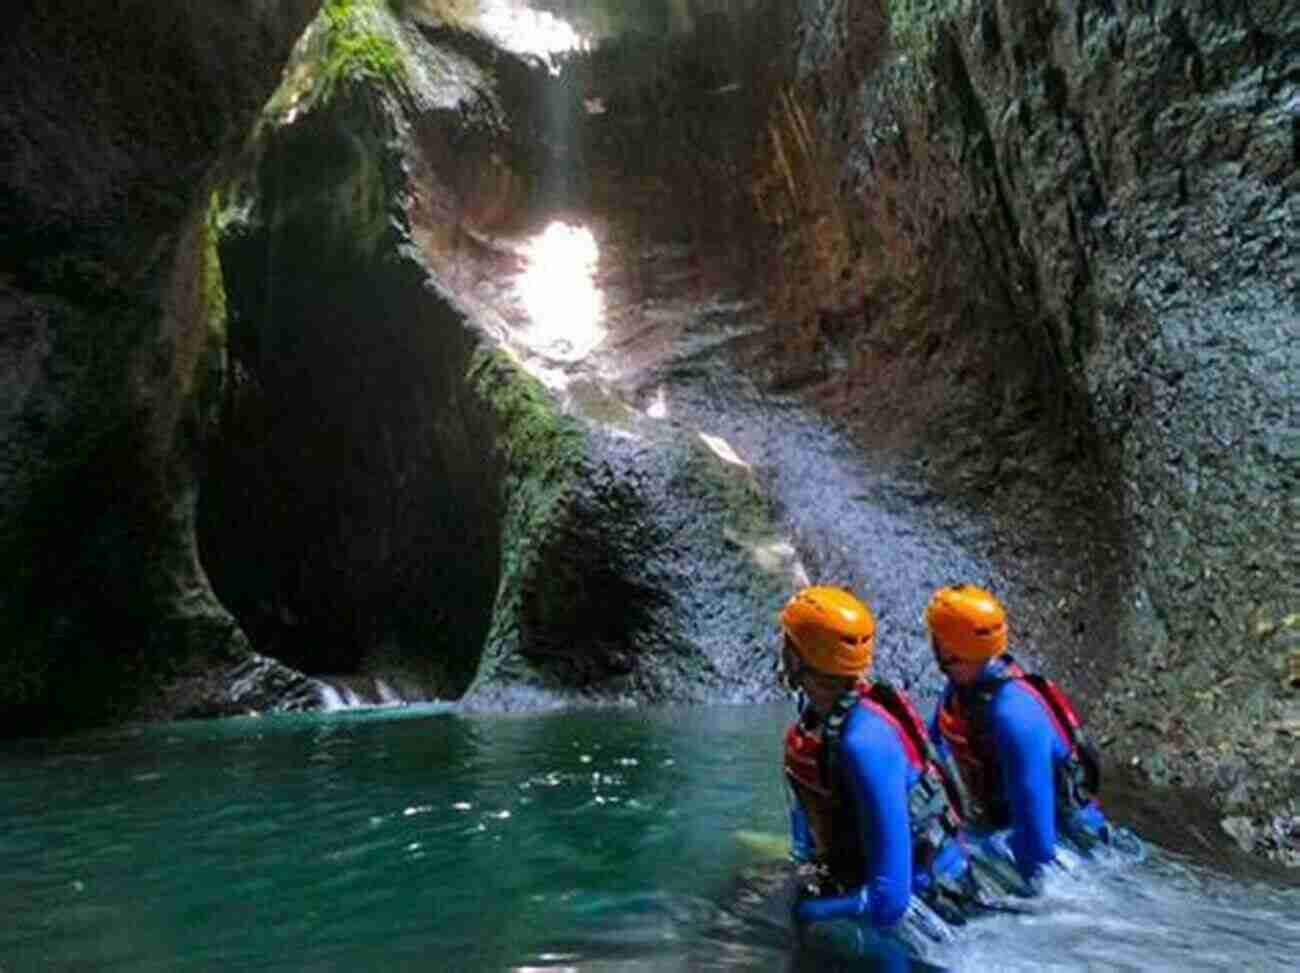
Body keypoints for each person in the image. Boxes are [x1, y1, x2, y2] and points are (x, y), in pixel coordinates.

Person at [778, 585, 988, 956]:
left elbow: (890, 900)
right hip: (901, 891)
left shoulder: (864, 741)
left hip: (935, 905)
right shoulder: (826, 723)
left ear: (799, 659)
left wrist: (807, 911)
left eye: (788, 642)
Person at [924, 584, 1122, 892]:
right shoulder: (961, 691)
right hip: (1009, 828)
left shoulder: (1013, 715)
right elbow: (928, 756)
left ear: (950, 647)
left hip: (1074, 851)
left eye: (935, 635)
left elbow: (1038, 844)